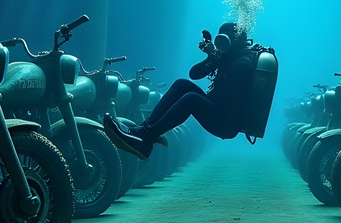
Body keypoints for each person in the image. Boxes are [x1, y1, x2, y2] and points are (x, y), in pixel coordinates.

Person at [103, 22, 255, 159]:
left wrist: (217, 58)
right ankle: (145, 128)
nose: (221, 45)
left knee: (191, 99)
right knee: (181, 84)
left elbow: (226, 98)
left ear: (234, 42)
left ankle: (146, 139)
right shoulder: (230, 57)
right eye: (219, 40)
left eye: (224, 41)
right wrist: (213, 57)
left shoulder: (242, 62)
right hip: (220, 111)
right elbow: (194, 74)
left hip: (226, 122)